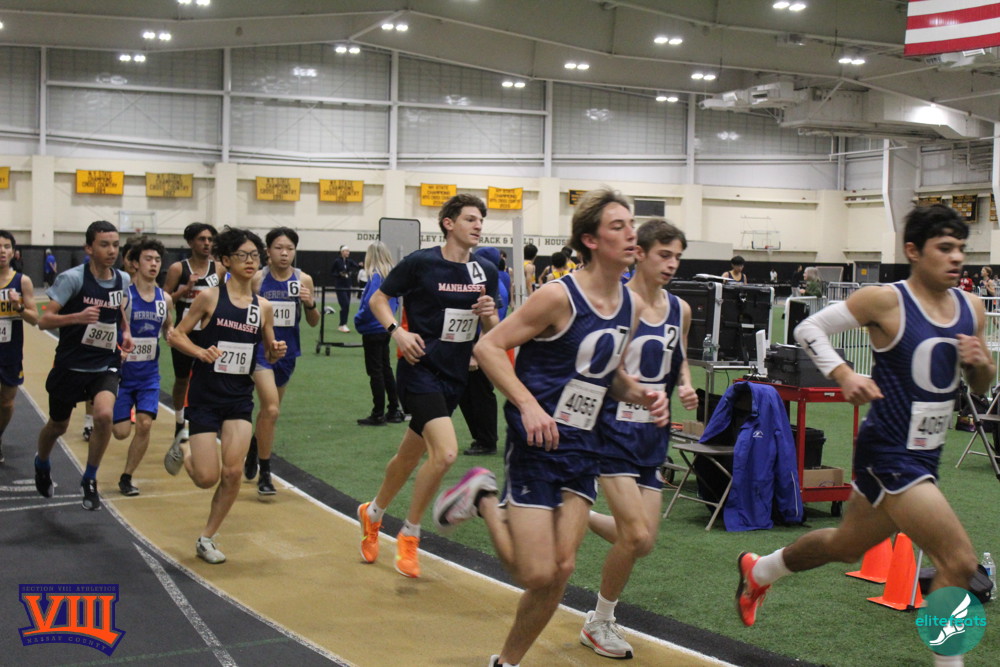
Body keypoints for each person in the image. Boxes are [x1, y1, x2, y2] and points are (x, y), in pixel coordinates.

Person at [737, 204, 992, 667]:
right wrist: (844, 374)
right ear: (913, 251)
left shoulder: (972, 309)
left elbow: (979, 386)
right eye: (944, 248)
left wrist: (981, 365)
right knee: (958, 563)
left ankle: (761, 570)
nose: (957, 258)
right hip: (890, 453)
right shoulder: (885, 301)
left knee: (845, 546)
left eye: (961, 248)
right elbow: (809, 327)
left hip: (926, 456)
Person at [434, 187, 668, 666]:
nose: (632, 234)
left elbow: (607, 374)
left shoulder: (630, 305)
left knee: (561, 570)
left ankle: (506, 663)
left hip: (585, 446)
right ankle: (483, 497)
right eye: (618, 226)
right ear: (591, 240)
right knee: (535, 573)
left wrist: (641, 393)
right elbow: (488, 348)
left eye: (632, 224)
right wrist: (527, 404)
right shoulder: (559, 296)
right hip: (538, 442)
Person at [357, 194, 499, 579]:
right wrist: (397, 332)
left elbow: (494, 330)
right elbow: (380, 300)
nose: (478, 225)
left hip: (455, 376)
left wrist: (489, 316)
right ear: (448, 223)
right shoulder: (421, 263)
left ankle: (372, 513)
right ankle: (411, 533)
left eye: (481, 220)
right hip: (419, 370)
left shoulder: (485, 270)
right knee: (446, 453)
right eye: (470, 219)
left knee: (408, 456)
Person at [580, 219, 699, 659]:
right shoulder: (617, 304)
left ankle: (572, 512)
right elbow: (602, 367)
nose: (672, 264)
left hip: (652, 434)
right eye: (664, 255)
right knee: (632, 535)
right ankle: (600, 621)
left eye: (678, 257)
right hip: (612, 430)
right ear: (640, 253)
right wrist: (636, 391)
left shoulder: (680, 309)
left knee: (643, 540)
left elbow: (678, 356)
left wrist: (684, 384)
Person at [165, 227, 286, 564]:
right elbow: (176, 335)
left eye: (255, 255)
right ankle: (184, 446)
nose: (250, 261)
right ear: (226, 260)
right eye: (242, 255)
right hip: (205, 397)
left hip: (238, 399)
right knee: (206, 478)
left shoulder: (263, 307)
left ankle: (207, 538)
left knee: (232, 473)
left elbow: (268, 352)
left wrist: (275, 351)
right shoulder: (210, 297)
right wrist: (199, 352)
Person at [34, 220, 133, 511]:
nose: (112, 251)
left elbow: (118, 309)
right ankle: (41, 462)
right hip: (71, 365)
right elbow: (44, 320)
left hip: (105, 363)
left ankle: (89, 478)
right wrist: (76, 317)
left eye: (115, 245)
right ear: (89, 248)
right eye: (104, 245)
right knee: (58, 426)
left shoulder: (122, 279)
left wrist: (126, 331)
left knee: (104, 415)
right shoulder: (72, 279)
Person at [244, 227, 321, 496]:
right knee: (272, 409)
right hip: (261, 352)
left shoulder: (303, 279)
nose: (284, 253)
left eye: (290, 248)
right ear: (268, 251)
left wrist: (310, 304)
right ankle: (265, 473)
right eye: (279, 248)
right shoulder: (257, 279)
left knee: (269, 411)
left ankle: (255, 444)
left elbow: (313, 322)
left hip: (287, 353)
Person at [111, 237, 172, 496]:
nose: (154, 264)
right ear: (135, 264)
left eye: (157, 260)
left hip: (149, 376)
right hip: (122, 376)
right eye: (148, 259)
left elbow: (168, 328)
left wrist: (172, 335)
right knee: (121, 432)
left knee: (145, 424)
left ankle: (127, 477)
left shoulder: (164, 299)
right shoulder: (125, 297)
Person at [163, 222, 223, 445]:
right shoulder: (179, 269)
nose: (207, 243)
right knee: (182, 379)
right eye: (201, 239)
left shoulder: (219, 268)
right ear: (190, 242)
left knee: (210, 379)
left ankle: (206, 421)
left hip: (209, 332)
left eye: (210, 239)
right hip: (185, 333)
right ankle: (180, 421)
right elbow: (164, 300)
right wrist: (184, 290)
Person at [459, 246, 511, 456]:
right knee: (473, 393)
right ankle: (483, 438)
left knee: (480, 394)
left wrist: (476, 353)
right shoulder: (501, 280)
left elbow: (491, 319)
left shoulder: (491, 285)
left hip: (483, 346)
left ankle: (486, 440)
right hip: (482, 344)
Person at [353, 241, 404, 426]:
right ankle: (393, 409)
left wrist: (359, 319)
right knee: (385, 368)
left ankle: (378, 413)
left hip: (372, 328)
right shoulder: (390, 276)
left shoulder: (375, 276)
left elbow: (370, 303)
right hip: (385, 327)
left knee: (375, 371)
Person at [0, 231, 39, 465]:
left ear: (13, 252)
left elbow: (35, 319)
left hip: (10, 352)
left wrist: (19, 307)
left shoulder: (22, 281)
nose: (1, 251)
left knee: (6, 402)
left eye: (6, 246)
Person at [331, 245, 358, 333]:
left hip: (348, 285)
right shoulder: (337, 261)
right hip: (340, 286)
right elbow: (332, 272)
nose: (348, 253)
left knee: (347, 305)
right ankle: (343, 324)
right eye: (346, 251)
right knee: (345, 304)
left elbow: (356, 266)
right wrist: (339, 274)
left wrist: (361, 265)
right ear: (342, 252)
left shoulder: (349, 261)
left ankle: (343, 324)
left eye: (348, 251)